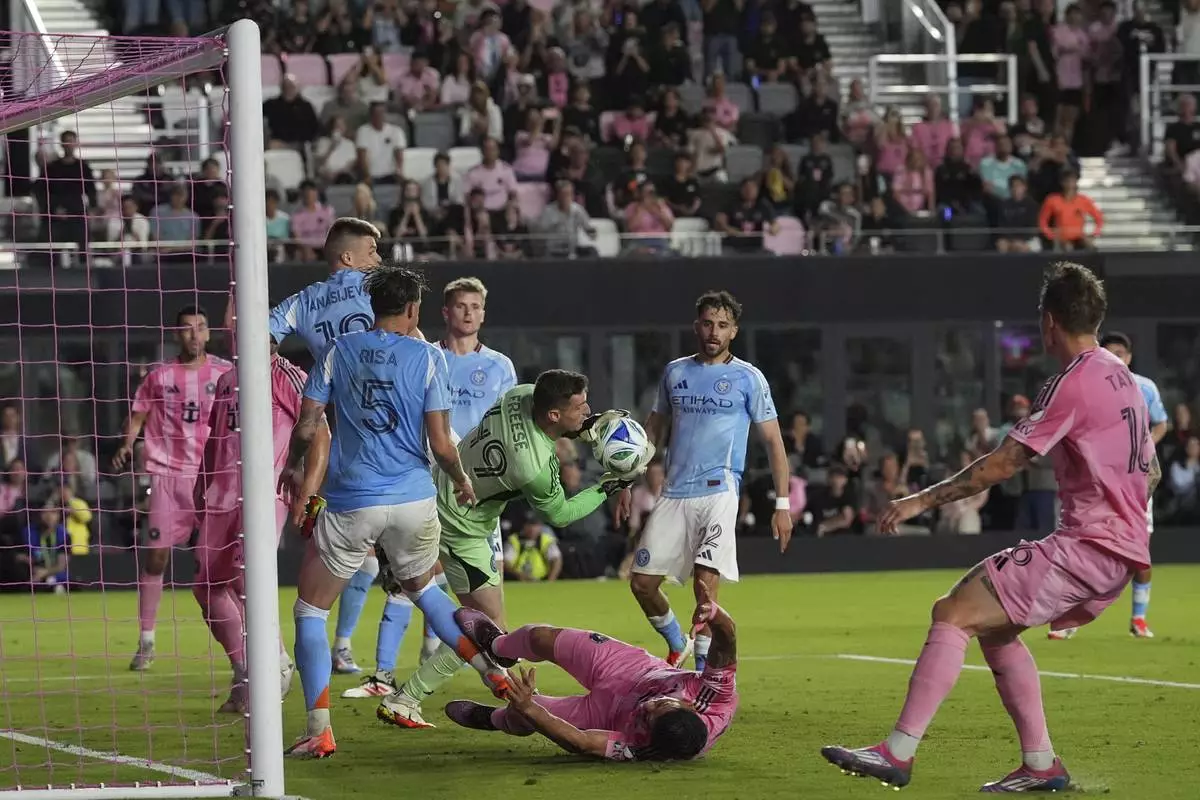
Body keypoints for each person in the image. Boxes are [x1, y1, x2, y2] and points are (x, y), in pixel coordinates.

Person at [821, 261, 1160, 792]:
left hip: (1089, 547)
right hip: (1122, 549)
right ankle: (1040, 764)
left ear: (1049, 321)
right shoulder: (1124, 379)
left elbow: (1002, 464)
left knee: (953, 612)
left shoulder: (1071, 383)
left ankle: (897, 752)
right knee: (996, 631)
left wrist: (919, 501)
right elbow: (1151, 472)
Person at [279, 265, 506, 759]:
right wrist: (462, 480)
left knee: (311, 610)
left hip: (353, 500)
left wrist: (295, 469)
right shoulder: (428, 357)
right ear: (413, 310)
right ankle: (495, 675)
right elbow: (442, 444)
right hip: (413, 500)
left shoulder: (339, 351)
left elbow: (308, 424)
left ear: (372, 307)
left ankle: (319, 729)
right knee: (426, 591)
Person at [374, 372, 643, 729]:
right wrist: (608, 485)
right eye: (580, 406)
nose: (587, 410)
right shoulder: (534, 468)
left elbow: (551, 421)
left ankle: (497, 685)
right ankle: (406, 699)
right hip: (462, 526)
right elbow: (560, 514)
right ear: (553, 414)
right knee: (489, 630)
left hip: (440, 491)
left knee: (484, 627)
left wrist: (585, 426)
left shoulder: (521, 394)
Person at [343, 276, 516, 700]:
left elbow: (509, 432)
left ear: (483, 313)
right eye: (461, 305)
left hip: (478, 493)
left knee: (483, 600)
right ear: (444, 311)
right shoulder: (422, 354)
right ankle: (385, 675)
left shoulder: (500, 367)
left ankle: (433, 665)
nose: (469, 313)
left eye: (476, 306)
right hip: (428, 481)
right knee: (415, 577)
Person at [631, 291, 792, 671]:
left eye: (722, 325)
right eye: (707, 324)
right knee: (641, 584)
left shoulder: (748, 378)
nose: (713, 332)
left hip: (719, 490)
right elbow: (653, 431)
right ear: (696, 326)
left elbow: (774, 441)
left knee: (705, 584)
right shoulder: (675, 372)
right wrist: (628, 480)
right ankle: (677, 641)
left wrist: (782, 505)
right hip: (674, 492)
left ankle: (703, 672)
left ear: (734, 331)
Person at [267, 217, 384, 675]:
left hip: (346, 437)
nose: (379, 258)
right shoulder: (381, 286)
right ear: (348, 257)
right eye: (372, 250)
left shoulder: (302, 301)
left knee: (358, 563)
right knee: (414, 570)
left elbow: (263, 338)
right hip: (396, 434)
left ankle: (333, 650)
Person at [443, 582, 737, 762]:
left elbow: (579, 742)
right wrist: (714, 614)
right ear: (688, 706)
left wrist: (529, 708)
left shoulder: (646, 747)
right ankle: (498, 645)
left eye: (648, 718)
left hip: (608, 715)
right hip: (636, 671)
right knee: (542, 638)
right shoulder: (714, 697)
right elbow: (726, 642)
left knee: (525, 713)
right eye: (660, 705)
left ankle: (494, 719)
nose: (646, 707)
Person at [193, 332, 327, 713]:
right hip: (221, 494)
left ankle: (275, 663)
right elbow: (215, 438)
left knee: (247, 579)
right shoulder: (226, 380)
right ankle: (246, 670)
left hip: (265, 494)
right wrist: (201, 482)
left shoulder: (287, 375)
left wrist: (307, 490)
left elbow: (319, 432)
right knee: (206, 588)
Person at [113, 306, 232, 671]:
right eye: (187, 329)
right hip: (167, 477)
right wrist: (126, 444)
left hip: (212, 477)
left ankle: (245, 643)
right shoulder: (160, 375)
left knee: (221, 563)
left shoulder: (226, 372)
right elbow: (138, 415)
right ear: (176, 334)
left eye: (200, 327)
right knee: (156, 557)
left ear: (208, 333)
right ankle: (147, 641)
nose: (194, 334)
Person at [1049, 331, 1168, 640]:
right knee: (1084, 548)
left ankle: (1139, 618)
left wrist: (1144, 446)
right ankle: (1071, 619)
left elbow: (1161, 423)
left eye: (1120, 354)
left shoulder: (1144, 387)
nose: (1116, 358)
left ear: (1129, 358)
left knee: (1140, 552)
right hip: (1097, 481)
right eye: (1110, 352)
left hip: (1136, 480)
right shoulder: (1088, 386)